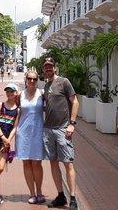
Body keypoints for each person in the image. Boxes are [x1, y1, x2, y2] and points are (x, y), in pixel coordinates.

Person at [42, 57, 79, 209]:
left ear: (55, 68)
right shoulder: (46, 86)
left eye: (50, 66)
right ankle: (60, 195)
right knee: (53, 162)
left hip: (63, 129)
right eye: (46, 67)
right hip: (48, 129)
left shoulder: (64, 82)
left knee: (68, 163)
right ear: (43, 69)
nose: (48, 69)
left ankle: (73, 197)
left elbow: (75, 102)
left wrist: (72, 123)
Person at [15, 71, 45, 204]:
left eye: (34, 79)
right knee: (26, 162)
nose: (32, 81)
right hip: (23, 133)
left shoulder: (42, 94)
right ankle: (32, 193)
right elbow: (13, 109)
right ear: (26, 79)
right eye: (30, 79)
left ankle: (39, 192)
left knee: (37, 162)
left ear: (37, 80)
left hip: (38, 132)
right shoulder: (20, 95)